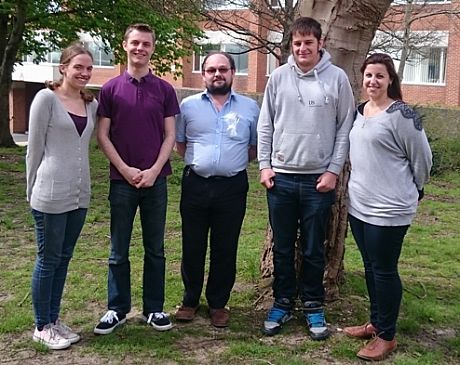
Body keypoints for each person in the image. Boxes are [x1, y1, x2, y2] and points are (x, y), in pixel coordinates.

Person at [257, 17, 355, 340]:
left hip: (318, 182)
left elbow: (345, 128)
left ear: (320, 43)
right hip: (281, 178)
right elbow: (265, 124)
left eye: (308, 43)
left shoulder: (337, 79)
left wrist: (332, 171)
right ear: (291, 45)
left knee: (314, 248)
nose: (302, 49)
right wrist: (264, 165)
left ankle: (313, 303)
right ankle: (282, 301)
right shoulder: (278, 78)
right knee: (283, 247)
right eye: (297, 43)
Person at [343, 53, 432, 361]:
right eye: (368, 75)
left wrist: (416, 189)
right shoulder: (359, 110)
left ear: (391, 79)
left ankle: (388, 336)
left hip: (390, 208)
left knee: (383, 270)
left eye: (380, 76)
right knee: (370, 266)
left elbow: (423, 159)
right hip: (359, 204)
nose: (373, 81)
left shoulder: (403, 114)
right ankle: (376, 323)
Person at [94, 23, 179, 335]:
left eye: (146, 44)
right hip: (122, 181)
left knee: (155, 248)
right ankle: (117, 309)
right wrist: (125, 169)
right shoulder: (110, 89)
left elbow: (170, 135)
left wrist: (155, 169)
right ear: (125, 45)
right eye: (135, 43)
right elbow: (102, 135)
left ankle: (154, 308)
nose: (140, 48)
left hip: (156, 181)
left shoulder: (165, 90)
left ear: (152, 49)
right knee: (118, 249)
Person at [175, 51, 259, 328]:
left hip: (232, 187)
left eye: (223, 69)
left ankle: (218, 303)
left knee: (226, 246)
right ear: (203, 74)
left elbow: (254, 147)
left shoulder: (249, 108)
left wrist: (228, 165)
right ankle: (189, 300)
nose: (217, 74)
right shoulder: (187, 106)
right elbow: (181, 144)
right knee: (192, 244)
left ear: (233, 73)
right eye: (211, 70)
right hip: (196, 184)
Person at [26, 43, 97, 350]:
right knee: (48, 258)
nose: (84, 73)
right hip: (50, 193)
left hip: (79, 194)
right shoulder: (46, 99)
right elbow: (34, 149)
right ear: (63, 68)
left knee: (64, 258)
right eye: (78, 66)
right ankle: (41, 325)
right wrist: (31, 191)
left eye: (89, 68)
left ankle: (54, 319)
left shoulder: (90, 103)